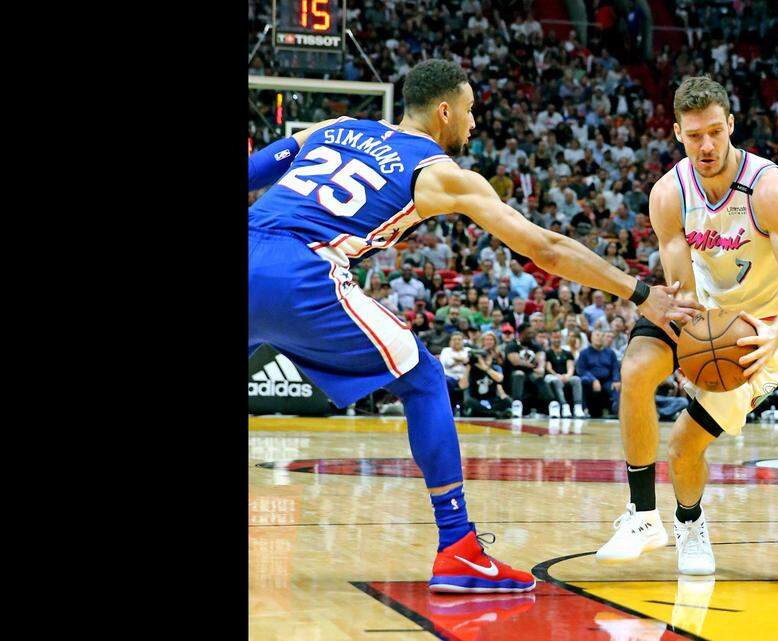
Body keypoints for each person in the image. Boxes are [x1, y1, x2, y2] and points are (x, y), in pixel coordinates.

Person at [248, 59, 700, 594]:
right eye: (469, 110)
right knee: (423, 379)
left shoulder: (333, 128)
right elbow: (545, 248)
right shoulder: (439, 173)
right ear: (443, 112)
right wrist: (640, 293)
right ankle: (458, 547)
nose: (473, 122)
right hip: (303, 271)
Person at [595, 76, 778, 575]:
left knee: (683, 444)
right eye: (695, 135)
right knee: (634, 372)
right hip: (704, 314)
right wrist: (689, 338)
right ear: (678, 133)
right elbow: (680, 286)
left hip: (758, 328)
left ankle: (691, 524)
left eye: (716, 132)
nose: (707, 145)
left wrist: (776, 334)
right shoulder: (669, 194)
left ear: (731, 125)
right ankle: (642, 515)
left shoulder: (770, 188)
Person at [577, 330, 621, 417]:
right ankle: (585, 410)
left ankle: (617, 410)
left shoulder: (610, 353)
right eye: (597, 335)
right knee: (584, 381)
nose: (599, 338)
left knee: (616, 387)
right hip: (591, 380)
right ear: (591, 338)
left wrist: (616, 380)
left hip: (607, 380)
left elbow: (615, 368)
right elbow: (581, 370)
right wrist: (593, 380)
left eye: (601, 336)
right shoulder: (584, 353)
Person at [544, 332, 586, 418]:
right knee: (556, 381)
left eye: (559, 338)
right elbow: (548, 368)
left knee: (576, 379)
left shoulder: (567, 353)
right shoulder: (548, 352)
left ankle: (578, 406)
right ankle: (564, 406)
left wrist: (568, 375)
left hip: (565, 375)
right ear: (551, 339)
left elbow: (570, 366)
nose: (557, 340)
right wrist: (557, 375)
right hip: (552, 376)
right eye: (555, 338)